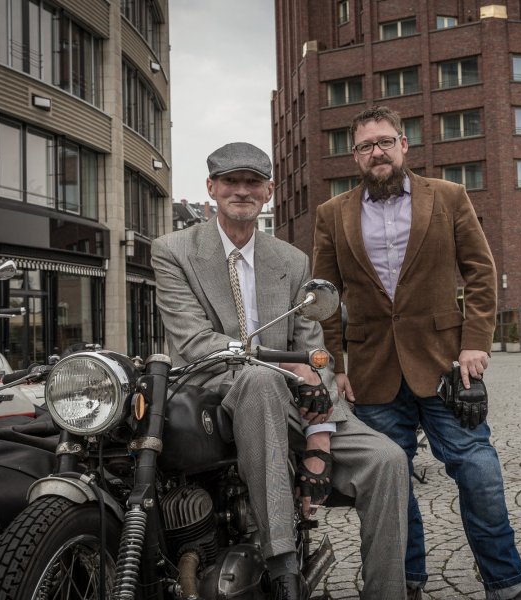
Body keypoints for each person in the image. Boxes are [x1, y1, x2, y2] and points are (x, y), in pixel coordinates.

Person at [152, 142, 408, 600]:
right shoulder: (173, 251)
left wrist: (320, 441)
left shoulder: (292, 262)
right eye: (231, 181)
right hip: (212, 395)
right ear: (211, 188)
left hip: (291, 396)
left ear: (269, 191)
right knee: (261, 378)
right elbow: (193, 343)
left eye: (253, 182)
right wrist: (284, 367)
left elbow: (313, 354)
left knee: (388, 461)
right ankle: (282, 565)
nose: (242, 191)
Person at [313, 106, 521, 600]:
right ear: (355, 156)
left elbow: (479, 271)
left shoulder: (449, 197)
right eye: (367, 146)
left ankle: (506, 583)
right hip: (371, 373)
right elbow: (324, 296)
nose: (378, 152)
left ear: (404, 145)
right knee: (390, 485)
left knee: (479, 471)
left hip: (445, 365)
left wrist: (475, 341)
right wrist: (336, 368)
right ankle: (406, 582)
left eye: (385, 141)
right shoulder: (332, 214)